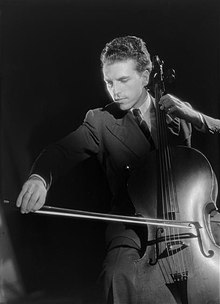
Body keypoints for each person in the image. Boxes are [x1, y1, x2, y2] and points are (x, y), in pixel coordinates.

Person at [16, 35, 220, 303]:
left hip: (192, 219)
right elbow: (62, 151)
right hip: (133, 225)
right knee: (116, 273)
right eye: (109, 82)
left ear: (146, 76)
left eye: (123, 81)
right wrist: (39, 178)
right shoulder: (100, 121)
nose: (115, 91)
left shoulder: (177, 113)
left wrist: (199, 118)